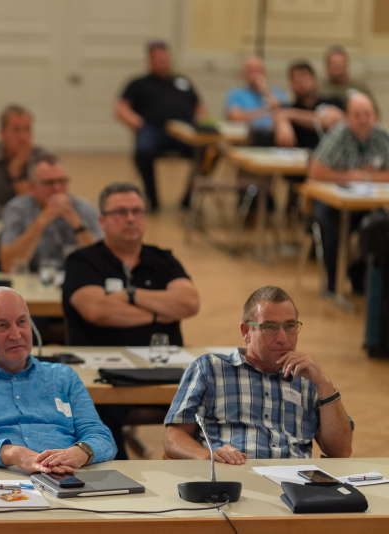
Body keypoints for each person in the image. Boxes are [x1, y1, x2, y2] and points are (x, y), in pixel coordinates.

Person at [61, 182, 199, 458]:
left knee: (210, 407)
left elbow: (188, 302)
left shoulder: (163, 259)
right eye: (120, 212)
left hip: (163, 370)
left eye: (137, 211)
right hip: (103, 375)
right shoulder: (83, 261)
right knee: (98, 422)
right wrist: (159, 312)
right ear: (102, 220)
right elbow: (97, 310)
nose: (130, 218)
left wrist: (130, 294)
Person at [0, 286, 117, 470]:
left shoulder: (64, 377)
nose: (16, 335)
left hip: (67, 476)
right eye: (2, 325)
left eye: (21, 322)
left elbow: (101, 437)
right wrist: (11, 454)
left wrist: (79, 453)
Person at [164, 286, 353, 462]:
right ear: (246, 331)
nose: (283, 339)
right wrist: (208, 456)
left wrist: (324, 383)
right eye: (269, 327)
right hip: (232, 477)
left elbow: (341, 452)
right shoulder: (210, 369)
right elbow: (173, 438)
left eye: (290, 326)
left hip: (295, 482)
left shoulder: (309, 381)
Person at [308, 92, 389, 295]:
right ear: (347, 117)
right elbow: (315, 172)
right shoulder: (338, 135)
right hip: (330, 202)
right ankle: (333, 282)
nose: (363, 119)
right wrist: (351, 175)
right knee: (334, 223)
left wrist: (364, 177)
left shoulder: (382, 137)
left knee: (378, 224)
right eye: (357, 114)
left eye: (367, 114)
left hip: (365, 202)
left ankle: (363, 281)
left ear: (375, 116)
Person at [115, 40, 205, 211]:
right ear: (149, 60)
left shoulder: (183, 81)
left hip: (183, 130)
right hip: (153, 128)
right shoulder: (138, 84)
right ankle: (152, 198)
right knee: (143, 150)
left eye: (164, 57)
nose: (161, 61)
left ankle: (189, 197)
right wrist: (137, 122)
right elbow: (121, 109)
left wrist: (200, 122)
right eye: (157, 58)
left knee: (208, 151)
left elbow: (199, 106)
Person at [0, 152, 101, 272]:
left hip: (75, 279)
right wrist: (40, 222)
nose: (57, 188)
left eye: (62, 181)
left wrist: (78, 226)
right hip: (31, 280)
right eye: (49, 183)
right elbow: (8, 265)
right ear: (32, 187)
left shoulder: (84, 209)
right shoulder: (17, 209)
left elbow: (100, 262)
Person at [274, 61, 345, 150]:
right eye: (295, 78)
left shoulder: (333, 101)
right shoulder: (287, 109)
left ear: (314, 79)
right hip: (299, 157)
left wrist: (288, 115)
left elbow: (329, 120)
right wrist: (281, 121)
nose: (300, 81)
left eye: (304, 76)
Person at [225, 55, 288, 145]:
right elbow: (235, 117)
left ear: (264, 72)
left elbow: (283, 112)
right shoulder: (236, 94)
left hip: (273, 138)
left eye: (258, 69)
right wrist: (267, 112)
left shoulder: (276, 93)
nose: (255, 73)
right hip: (248, 139)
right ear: (244, 73)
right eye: (250, 69)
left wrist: (265, 91)